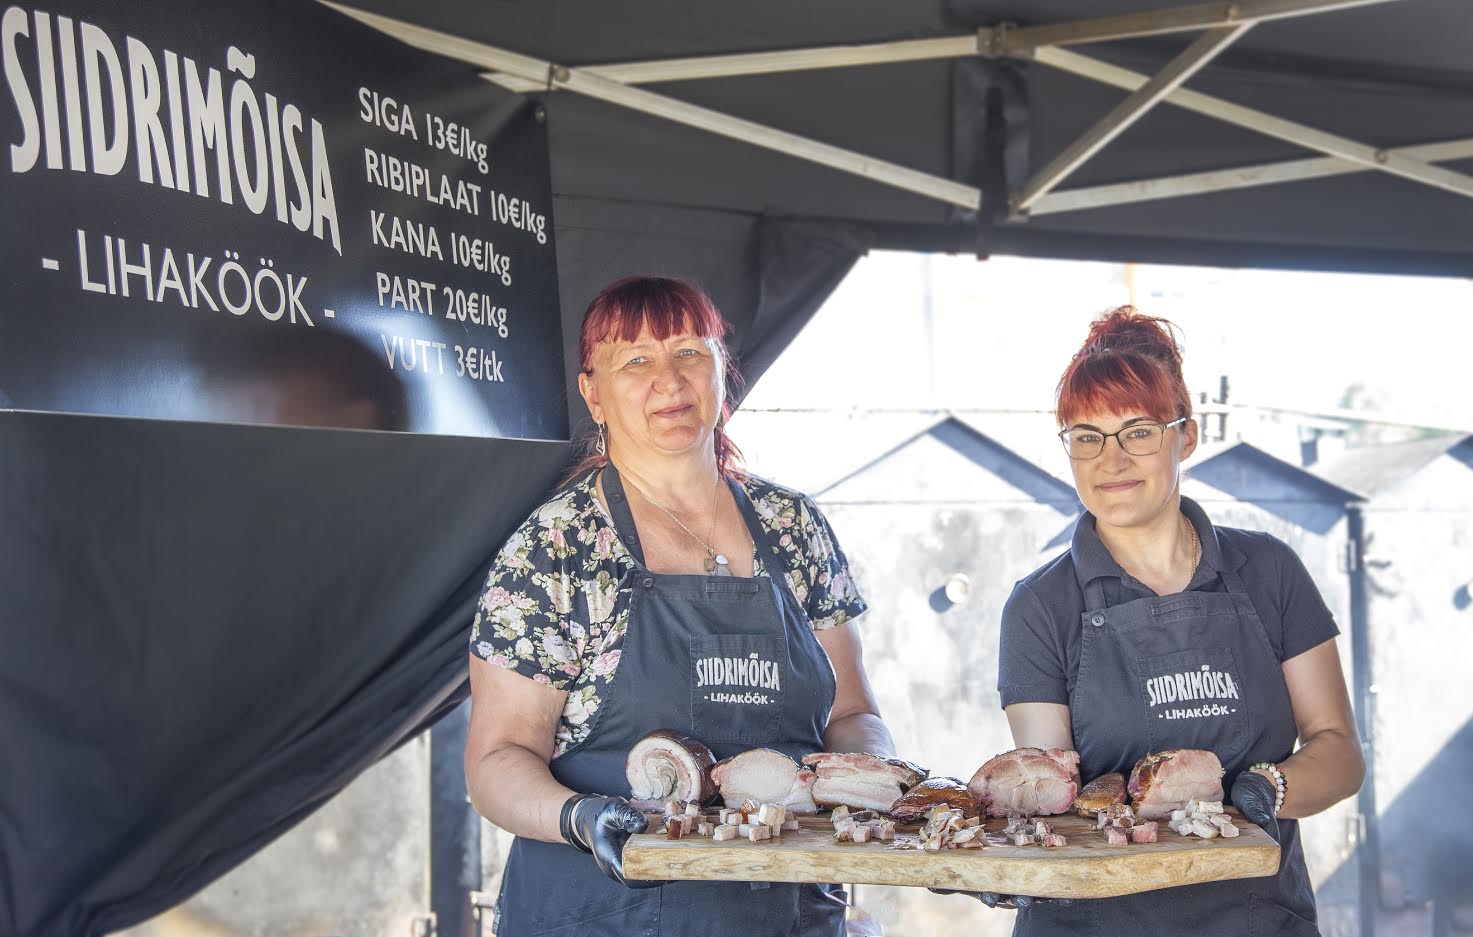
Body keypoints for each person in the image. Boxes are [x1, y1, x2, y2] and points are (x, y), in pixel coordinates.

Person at [464, 275, 898, 936]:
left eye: (689, 353)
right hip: (605, 912)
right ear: (592, 392)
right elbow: (497, 757)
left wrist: (866, 776)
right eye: (634, 360)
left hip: (786, 913)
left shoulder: (793, 526)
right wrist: (575, 816)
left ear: (722, 370)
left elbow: (851, 711)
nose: (667, 379)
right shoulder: (555, 549)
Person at [984, 307, 1364, 935]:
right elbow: (1051, 792)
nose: (1111, 459)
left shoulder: (1267, 571)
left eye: (1138, 431)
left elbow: (1340, 752)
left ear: (1184, 436)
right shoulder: (1041, 608)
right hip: (1096, 923)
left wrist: (1266, 790)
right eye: (1087, 436)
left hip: (1253, 917)